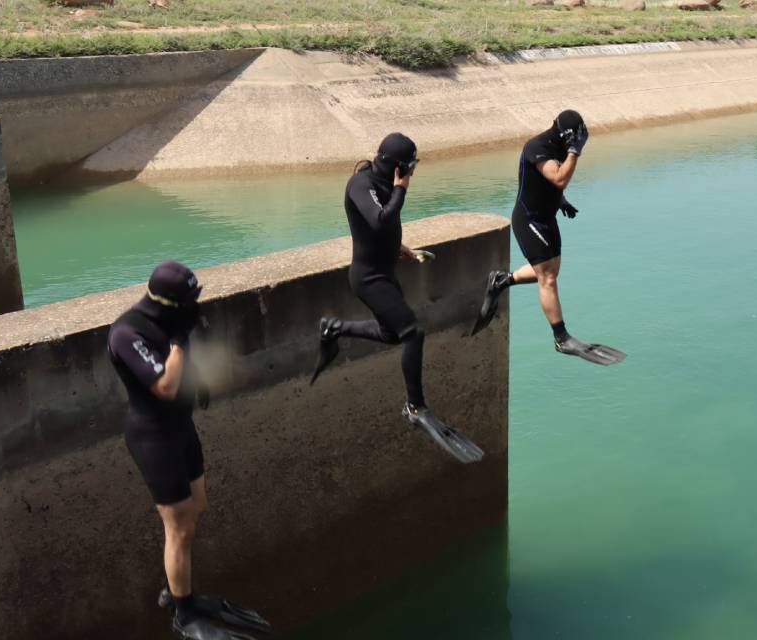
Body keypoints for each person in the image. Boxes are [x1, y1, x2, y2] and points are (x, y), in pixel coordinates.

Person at [107, 260, 272, 640]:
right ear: (167, 302)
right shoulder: (127, 332)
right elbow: (164, 386)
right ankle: (184, 615)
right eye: (189, 301)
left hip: (181, 428)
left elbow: (180, 366)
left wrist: (198, 382)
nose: (194, 307)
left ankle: (175, 588)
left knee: (196, 508)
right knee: (179, 527)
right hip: (154, 437)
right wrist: (180, 341)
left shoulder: (171, 318)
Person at [310, 132, 483, 464]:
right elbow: (378, 221)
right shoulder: (361, 185)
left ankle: (334, 328)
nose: (413, 172)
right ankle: (414, 407)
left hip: (384, 272)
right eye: (410, 166)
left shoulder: (383, 183)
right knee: (412, 333)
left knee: (392, 334)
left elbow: (383, 228)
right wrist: (401, 189)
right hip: (368, 278)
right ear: (396, 166)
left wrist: (402, 249)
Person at [470, 110, 625, 366]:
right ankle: (561, 338)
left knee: (550, 270)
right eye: (573, 139)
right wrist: (574, 152)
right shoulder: (537, 147)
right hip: (529, 219)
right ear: (564, 135)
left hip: (547, 217)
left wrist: (560, 200)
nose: (575, 143)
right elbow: (558, 177)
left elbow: (543, 182)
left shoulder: (561, 146)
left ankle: (501, 280)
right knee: (548, 278)